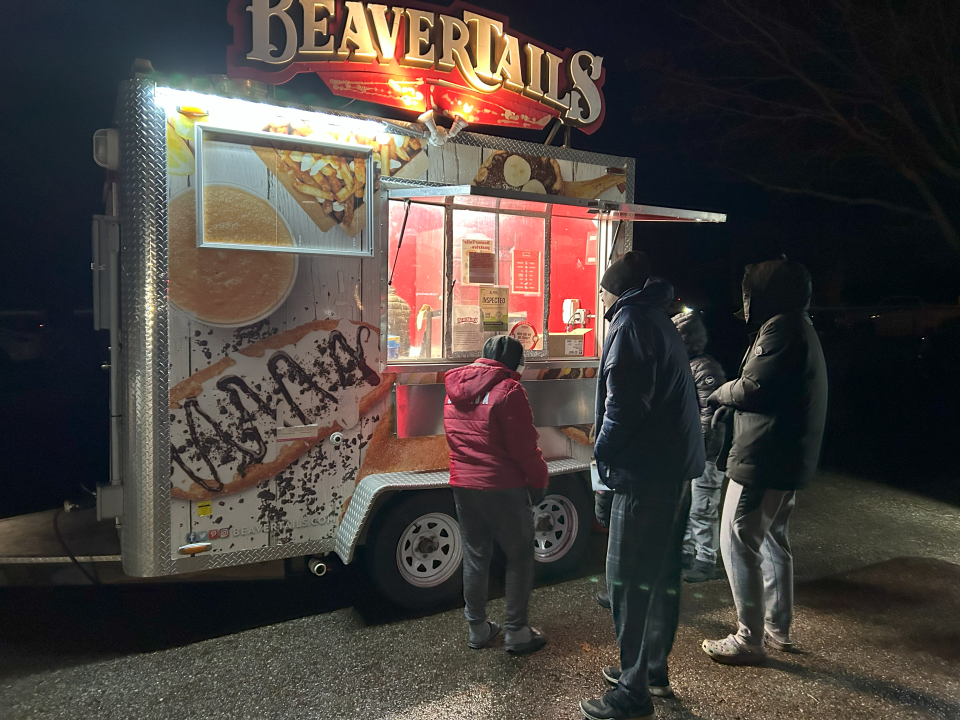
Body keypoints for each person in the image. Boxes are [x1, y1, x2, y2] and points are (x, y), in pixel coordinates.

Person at [580, 252, 705, 720]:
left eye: (603, 290)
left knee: (627, 581)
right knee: (659, 575)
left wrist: (602, 457)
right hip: (673, 471)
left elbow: (623, 407)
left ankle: (633, 693)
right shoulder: (657, 317)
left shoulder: (630, 323)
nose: (601, 297)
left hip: (645, 474)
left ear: (617, 290)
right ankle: (651, 669)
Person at [701, 257, 827, 665]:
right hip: (787, 455)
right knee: (773, 540)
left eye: (751, 290)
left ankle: (748, 637)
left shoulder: (781, 329)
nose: (745, 298)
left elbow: (754, 387)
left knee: (737, 540)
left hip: (765, 455)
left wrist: (720, 394)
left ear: (769, 293)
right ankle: (777, 628)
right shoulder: (799, 326)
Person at [443, 335, 549, 655]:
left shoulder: (452, 390)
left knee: (476, 555)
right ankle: (516, 632)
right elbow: (525, 448)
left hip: (463, 484)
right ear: (514, 363)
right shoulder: (509, 391)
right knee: (519, 555)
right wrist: (539, 481)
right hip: (503, 486)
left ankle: (477, 628)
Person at [671, 310, 728, 583]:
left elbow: (711, 413)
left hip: (706, 453)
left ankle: (706, 560)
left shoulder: (704, 367)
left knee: (702, 506)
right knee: (687, 504)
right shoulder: (689, 364)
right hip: (692, 451)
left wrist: (703, 451)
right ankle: (686, 552)